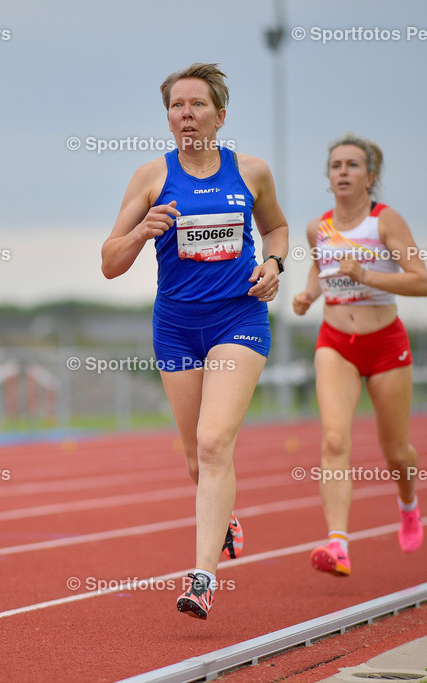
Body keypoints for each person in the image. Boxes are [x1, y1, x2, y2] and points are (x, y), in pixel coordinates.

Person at [101, 63, 288, 619]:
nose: (186, 114)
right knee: (194, 456)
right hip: (177, 325)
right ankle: (224, 512)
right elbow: (110, 262)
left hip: (239, 320)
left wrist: (274, 263)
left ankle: (202, 577)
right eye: (176, 106)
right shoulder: (150, 178)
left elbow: (275, 227)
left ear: (220, 115)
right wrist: (141, 231)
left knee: (213, 443)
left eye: (196, 105)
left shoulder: (251, 172)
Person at [292, 133, 427, 577]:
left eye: (353, 165)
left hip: (386, 344)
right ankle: (338, 544)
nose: (343, 172)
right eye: (336, 165)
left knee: (396, 453)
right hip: (335, 344)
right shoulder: (319, 227)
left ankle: (407, 504)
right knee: (334, 440)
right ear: (328, 177)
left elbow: (420, 281)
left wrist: (367, 274)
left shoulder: (385, 222)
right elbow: (320, 264)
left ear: (370, 176)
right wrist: (309, 295)